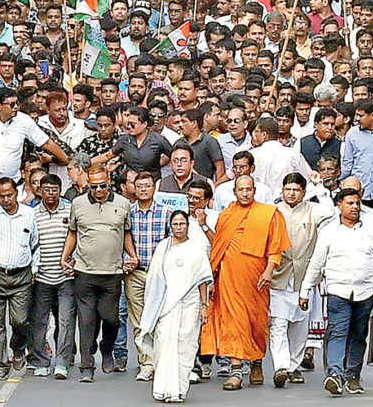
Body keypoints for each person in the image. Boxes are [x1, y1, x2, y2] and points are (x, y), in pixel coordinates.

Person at [201, 175, 291, 391]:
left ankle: (257, 362)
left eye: (248, 189)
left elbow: (275, 247)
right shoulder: (227, 215)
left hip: (256, 280)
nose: (244, 193)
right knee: (233, 322)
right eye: (240, 189)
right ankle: (236, 370)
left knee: (257, 324)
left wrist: (269, 271)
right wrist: (204, 227)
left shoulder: (269, 214)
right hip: (229, 280)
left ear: (254, 191)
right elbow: (219, 246)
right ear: (234, 191)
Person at [300, 188, 373, 396]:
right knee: (338, 332)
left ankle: (353, 376)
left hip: (365, 292)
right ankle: (335, 374)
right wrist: (305, 291)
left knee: (359, 335)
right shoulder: (329, 231)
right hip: (337, 291)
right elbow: (316, 263)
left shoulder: (371, 230)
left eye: (357, 203)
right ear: (339, 205)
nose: (355, 207)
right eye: (350, 203)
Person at [61, 166, 138, 382]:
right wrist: (64, 257)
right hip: (85, 271)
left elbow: (126, 234)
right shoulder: (78, 204)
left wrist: (132, 256)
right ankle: (87, 367)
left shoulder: (123, 204)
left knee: (111, 319)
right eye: (93, 187)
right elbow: (73, 233)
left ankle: (106, 348)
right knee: (86, 321)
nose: (98, 190)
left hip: (112, 272)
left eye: (102, 186)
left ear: (109, 182)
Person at [137, 211, 213, 403]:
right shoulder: (163, 247)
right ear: (170, 226)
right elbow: (155, 278)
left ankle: (178, 390)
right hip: (165, 304)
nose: (179, 227)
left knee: (185, 346)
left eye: (182, 224)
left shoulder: (195, 249)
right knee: (163, 345)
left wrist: (205, 305)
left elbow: (202, 279)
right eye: (175, 224)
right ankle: (162, 389)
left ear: (188, 225)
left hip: (189, 303)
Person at [269, 173, 332, 387]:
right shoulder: (274, 211)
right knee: (278, 322)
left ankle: (293, 366)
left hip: (304, 277)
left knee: (299, 324)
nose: (291, 193)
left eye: (296, 190)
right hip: (279, 274)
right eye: (288, 189)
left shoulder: (312, 210)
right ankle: (281, 367)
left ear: (303, 192)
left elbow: (330, 210)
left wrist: (319, 185)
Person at [0, 177, 39, 380]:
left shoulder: (28, 214)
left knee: (20, 321)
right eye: (1, 196)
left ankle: (18, 347)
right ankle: (0, 365)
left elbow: (35, 244)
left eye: (9, 195)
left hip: (21, 275)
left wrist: (35, 268)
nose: (6, 199)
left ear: (16, 193)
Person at [26, 174, 75, 379]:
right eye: (46, 189)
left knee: (65, 321)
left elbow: (77, 236)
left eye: (54, 189)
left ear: (60, 190)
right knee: (39, 321)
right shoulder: (31, 213)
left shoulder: (70, 209)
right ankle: (41, 361)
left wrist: (74, 261)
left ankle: (62, 363)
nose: (50, 194)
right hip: (41, 277)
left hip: (65, 276)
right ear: (39, 191)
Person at [127, 171, 171, 381]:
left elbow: (174, 243)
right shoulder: (127, 212)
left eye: (148, 185)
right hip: (135, 273)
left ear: (155, 188)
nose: (143, 189)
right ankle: (146, 362)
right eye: (140, 185)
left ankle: (162, 360)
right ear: (133, 189)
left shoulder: (166, 212)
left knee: (161, 318)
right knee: (139, 321)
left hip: (160, 274)